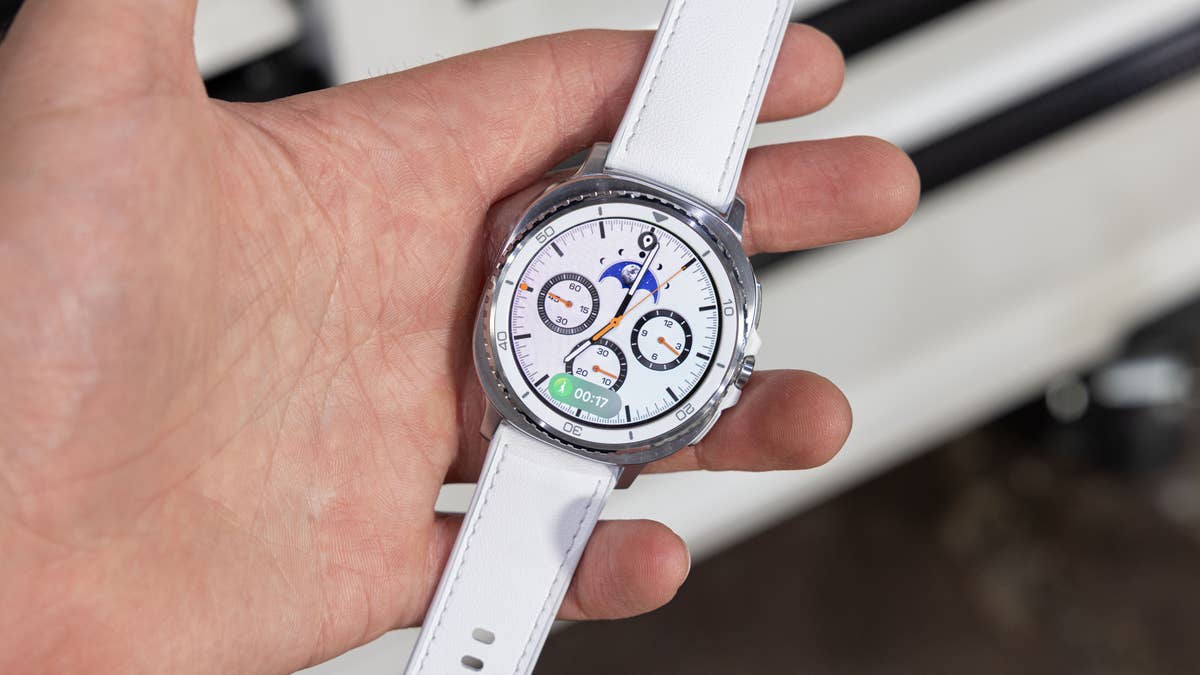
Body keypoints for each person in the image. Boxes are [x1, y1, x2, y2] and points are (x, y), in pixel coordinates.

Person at [0, 1, 919, 672]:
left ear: (726, 361)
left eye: (637, 332)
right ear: (520, 239)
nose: (610, 326)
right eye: (590, 308)